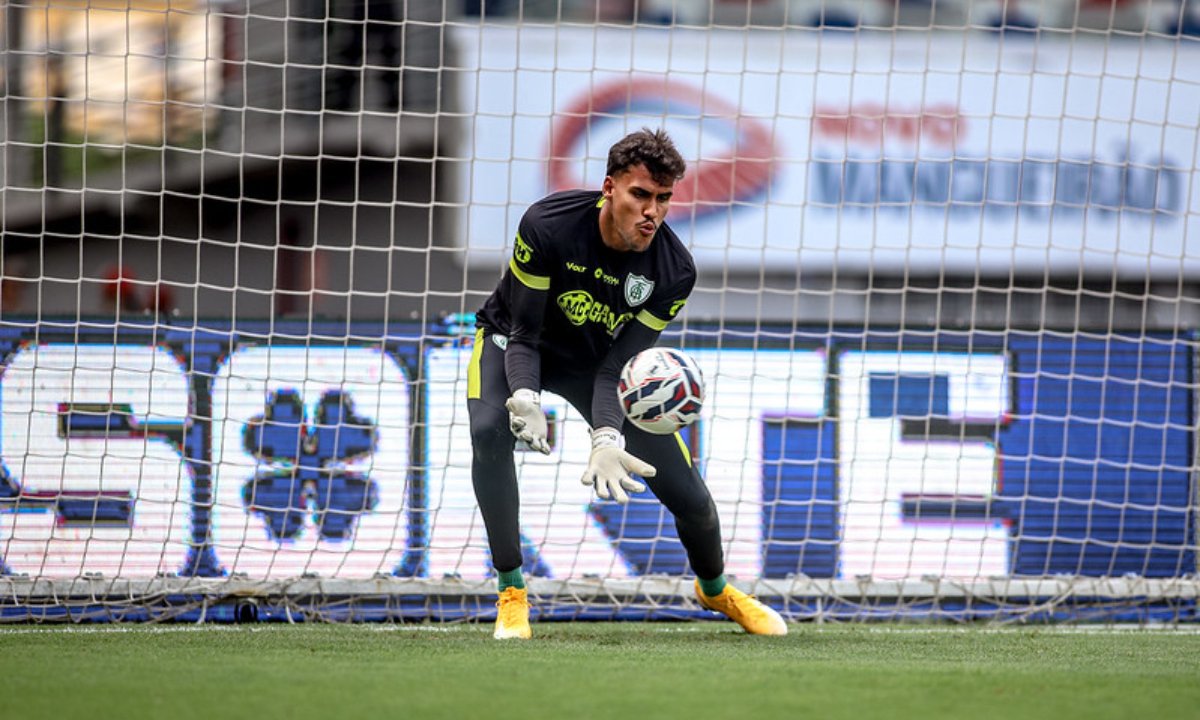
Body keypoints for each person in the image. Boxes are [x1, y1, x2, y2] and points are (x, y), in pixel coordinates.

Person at [467, 128, 788, 639]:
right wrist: (524, 394)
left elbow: (618, 366)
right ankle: (512, 592)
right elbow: (524, 333)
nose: (652, 212)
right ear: (609, 187)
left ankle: (715, 587)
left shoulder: (675, 270)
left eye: (663, 199)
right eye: (641, 194)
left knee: (690, 497)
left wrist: (606, 437)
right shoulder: (547, 225)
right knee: (488, 432)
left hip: (595, 365)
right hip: (513, 341)